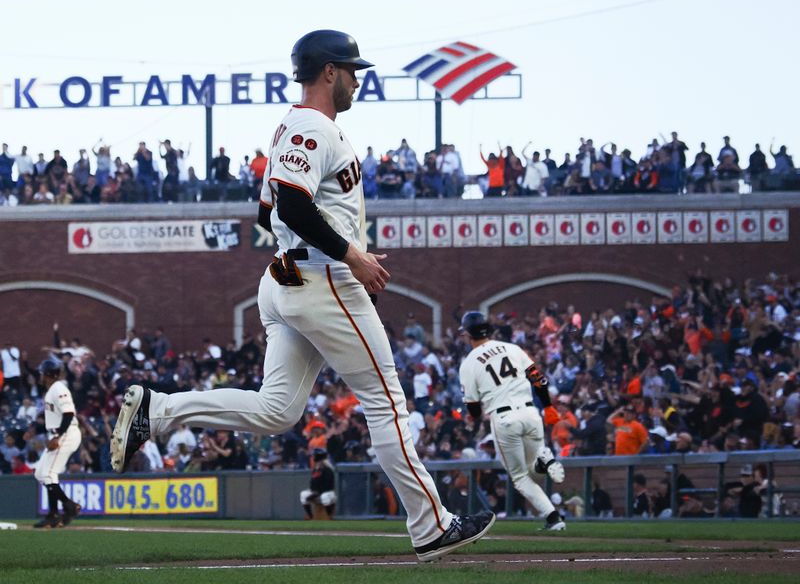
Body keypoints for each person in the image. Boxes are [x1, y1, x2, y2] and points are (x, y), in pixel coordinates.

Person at [111, 29, 494, 562]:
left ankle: (160, 410)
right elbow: (287, 208)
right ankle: (432, 526)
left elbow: (265, 212)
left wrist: (330, 244)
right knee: (386, 402)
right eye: (351, 69)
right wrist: (352, 255)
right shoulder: (313, 125)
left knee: (277, 410)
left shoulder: (291, 125)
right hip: (322, 280)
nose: (357, 80)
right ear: (329, 72)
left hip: (288, 281)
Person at [457, 311, 566, 531]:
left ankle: (553, 517)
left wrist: (473, 414)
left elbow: (474, 409)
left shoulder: (469, 363)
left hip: (504, 417)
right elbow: (539, 379)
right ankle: (554, 517)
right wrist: (548, 406)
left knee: (519, 477)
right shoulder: (512, 348)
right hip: (530, 412)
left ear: (468, 334)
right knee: (532, 470)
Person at [34, 359, 82, 529]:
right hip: (59, 433)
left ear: (48, 374)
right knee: (41, 473)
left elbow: (68, 414)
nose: (40, 375)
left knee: (48, 474)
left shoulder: (59, 388)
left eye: (42, 372)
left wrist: (57, 437)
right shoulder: (52, 390)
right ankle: (55, 513)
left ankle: (67, 507)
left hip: (66, 434)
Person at [300, 447, 336, 519]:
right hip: (317, 492)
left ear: (318, 456)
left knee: (324, 497)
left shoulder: (327, 468)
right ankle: (310, 517)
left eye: (314, 455)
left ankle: (329, 517)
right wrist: (312, 492)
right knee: (303, 494)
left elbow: (328, 485)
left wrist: (317, 493)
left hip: (328, 492)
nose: (313, 456)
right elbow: (312, 483)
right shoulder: (316, 468)